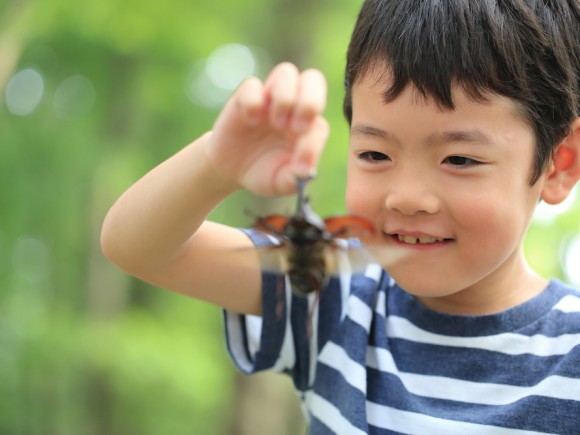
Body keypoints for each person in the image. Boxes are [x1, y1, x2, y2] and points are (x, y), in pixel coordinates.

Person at [101, 0, 580, 433]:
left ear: (558, 165)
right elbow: (135, 246)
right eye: (375, 154)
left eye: (459, 159)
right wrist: (217, 165)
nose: (407, 198)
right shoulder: (332, 294)